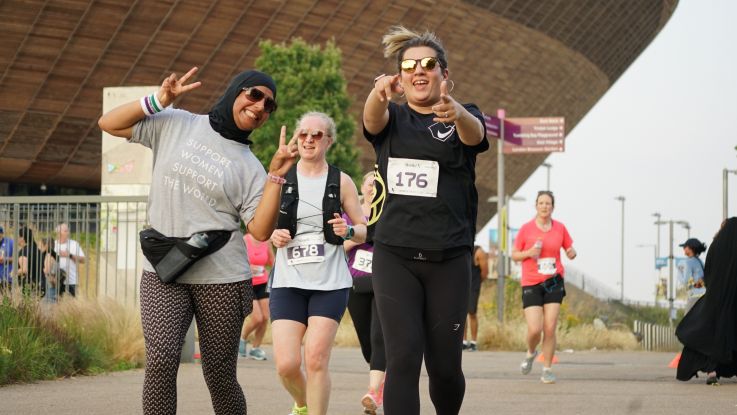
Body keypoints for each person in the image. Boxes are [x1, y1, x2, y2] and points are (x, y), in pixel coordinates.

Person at [98, 66, 298, 415]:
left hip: (222, 278)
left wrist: (276, 176)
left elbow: (260, 231)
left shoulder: (250, 166)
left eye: (269, 105)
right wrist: (157, 102)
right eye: (254, 94)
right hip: (164, 270)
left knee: (219, 374)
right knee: (161, 359)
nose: (260, 106)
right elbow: (109, 123)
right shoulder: (177, 122)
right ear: (236, 91)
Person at [363, 26, 488, 414]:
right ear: (400, 77)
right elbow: (371, 120)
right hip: (395, 254)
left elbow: (476, 135)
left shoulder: (462, 117)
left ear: (444, 75)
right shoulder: (393, 118)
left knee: (445, 368)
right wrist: (377, 93)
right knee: (402, 357)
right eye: (409, 66)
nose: (419, 71)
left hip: (448, 257)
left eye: (429, 64)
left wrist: (458, 112)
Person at [269, 111, 367, 415]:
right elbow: (262, 223)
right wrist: (274, 234)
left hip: (330, 283)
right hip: (288, 282)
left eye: (317, 135)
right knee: (286, 365)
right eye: (304, 134)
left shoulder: (342, 180)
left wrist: (348, 230)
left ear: (329, 141)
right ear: (297, 138)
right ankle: (302, 404)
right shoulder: (282, 177)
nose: (309, 140)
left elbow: (363, 230)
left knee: (315, 359)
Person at [511, 190, 576, 384]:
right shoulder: (526, 229)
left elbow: (569, 248)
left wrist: (571, 252)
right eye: (541, 203)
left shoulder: (560, 228)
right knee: (534, 329)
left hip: (554, 281)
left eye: (548, 203)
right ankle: (531, 352)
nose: (544, 206)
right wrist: (530, 252)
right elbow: (514, 255)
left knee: (549, 328)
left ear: (553, 207)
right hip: (531, 282)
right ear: (536, 206)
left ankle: (547, 369)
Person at [343, 171, 386, 414]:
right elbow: (340, 246)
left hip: (384, 282)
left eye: (378, 183)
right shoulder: (349, 215)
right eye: (370, 182)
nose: (373, 187)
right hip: (356, 283)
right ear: (362, 186)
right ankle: (382, 379)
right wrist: (365, 232)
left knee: (380, 336)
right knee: (367, 345)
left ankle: (373, 391)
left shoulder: (390, 212)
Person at [677, 218, 737, 386]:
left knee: (708, 333)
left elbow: (708, 273)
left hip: (714, 299)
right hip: (733, 302)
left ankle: (712, 370)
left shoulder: (716, 247)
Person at [239, 232, 275, 360]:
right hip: (247, 283)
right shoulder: (244, 240)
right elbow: (236, 262)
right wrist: (248, 267)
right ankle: (242, 339)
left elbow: (272, 261)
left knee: (265, 317)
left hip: (262, 282)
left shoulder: (266, 242)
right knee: (257, 318)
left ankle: (255, 348)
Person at [463, 245, 489, 352]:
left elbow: (485, 272)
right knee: (461, 314)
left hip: (473, 286)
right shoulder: (460, 249)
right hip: (460, 285)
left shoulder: (479, 252)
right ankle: (463, 341)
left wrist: (477, 283)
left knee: (472, 312)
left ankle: (473, 342)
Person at [54, 223, 85, 297]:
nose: (68, 233)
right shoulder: (53, 244)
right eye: (65, 231)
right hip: (56, 281)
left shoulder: (74, 244)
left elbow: (83, 260)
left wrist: (70, 255)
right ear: (59, 233)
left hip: (71, 281)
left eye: (68, 231)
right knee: (57, 304)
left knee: (72, 306)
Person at [677, 238, 707, 313]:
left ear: (690, 248)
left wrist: (679, 272)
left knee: (687, 319)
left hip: (694, 295)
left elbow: (685, 281)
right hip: (704, 294)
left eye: (685, 247)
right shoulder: (700, 261)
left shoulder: (688, 262)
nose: (683, 249)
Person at [16, 226, 46, 297]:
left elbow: (24, 269)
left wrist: (13, 272)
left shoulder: (23, 251)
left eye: (18, 237)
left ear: (22, 238)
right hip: (41, 285)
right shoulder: (38, 250)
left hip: (28, 287)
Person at [0, 225, 14, 290]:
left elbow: (16, 258)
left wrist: (6, 259)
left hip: (6, 276)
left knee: (6, 298)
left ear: (2, 234)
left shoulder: (10, 242)